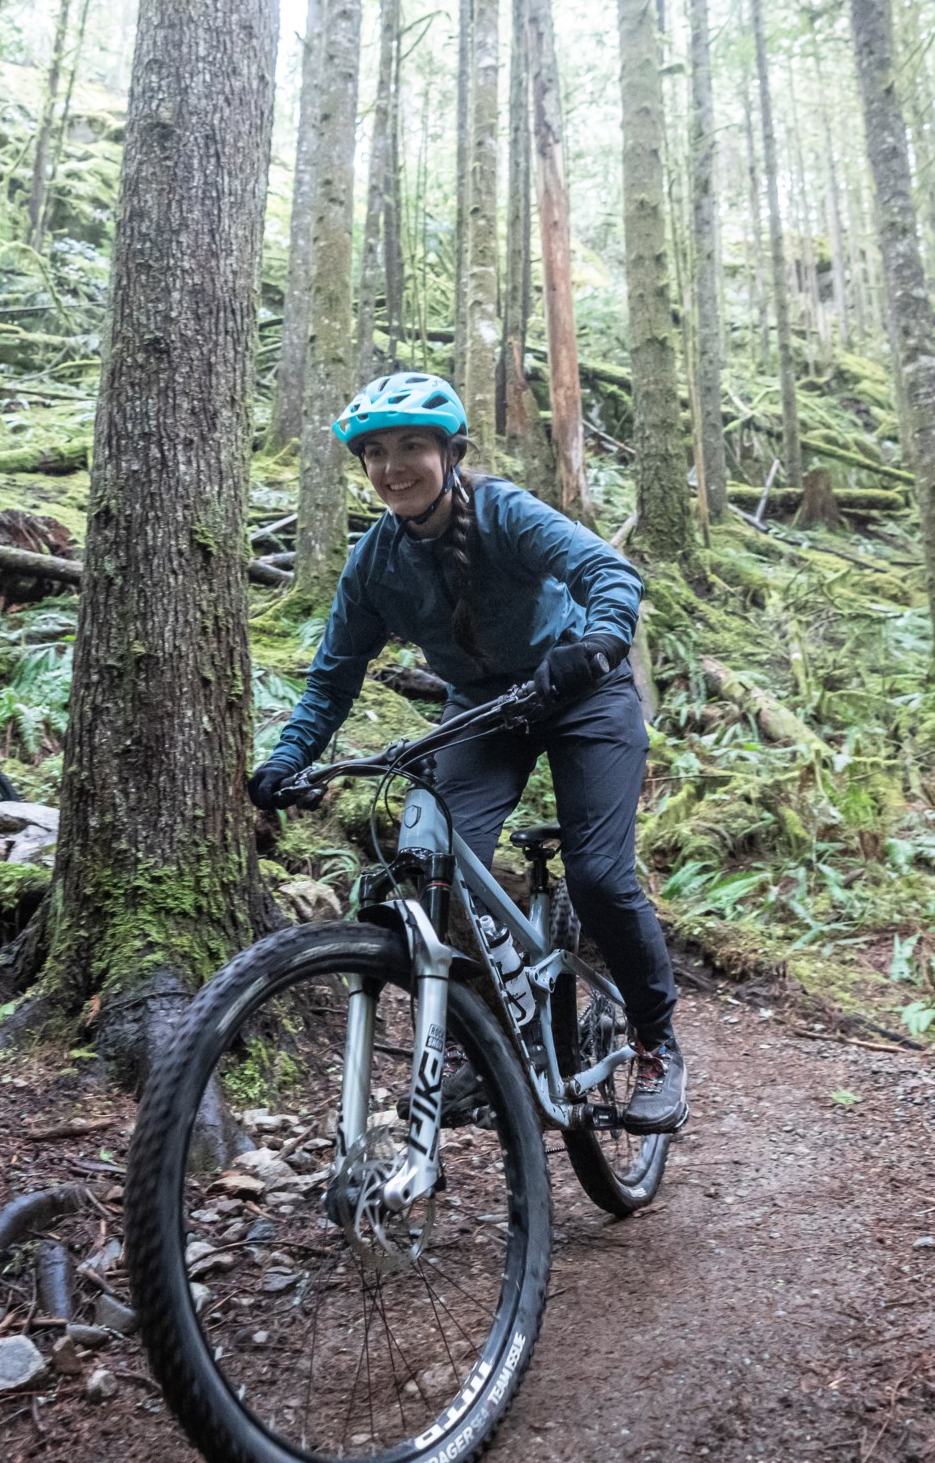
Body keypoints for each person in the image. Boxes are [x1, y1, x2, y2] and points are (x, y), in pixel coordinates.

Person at [249, 371, 687, 1133]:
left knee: (599, 875)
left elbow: (609, 572)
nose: (393, 468)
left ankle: (657, 1042)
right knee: (434, 872)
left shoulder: (504, 511)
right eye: (376, 453)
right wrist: (289, 757)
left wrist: (598, 641)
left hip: (583, 690)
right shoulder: (374, 563)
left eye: (412, 446)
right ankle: (484, 1042)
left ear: (452, 452)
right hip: (483, 710)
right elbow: (333, 676)